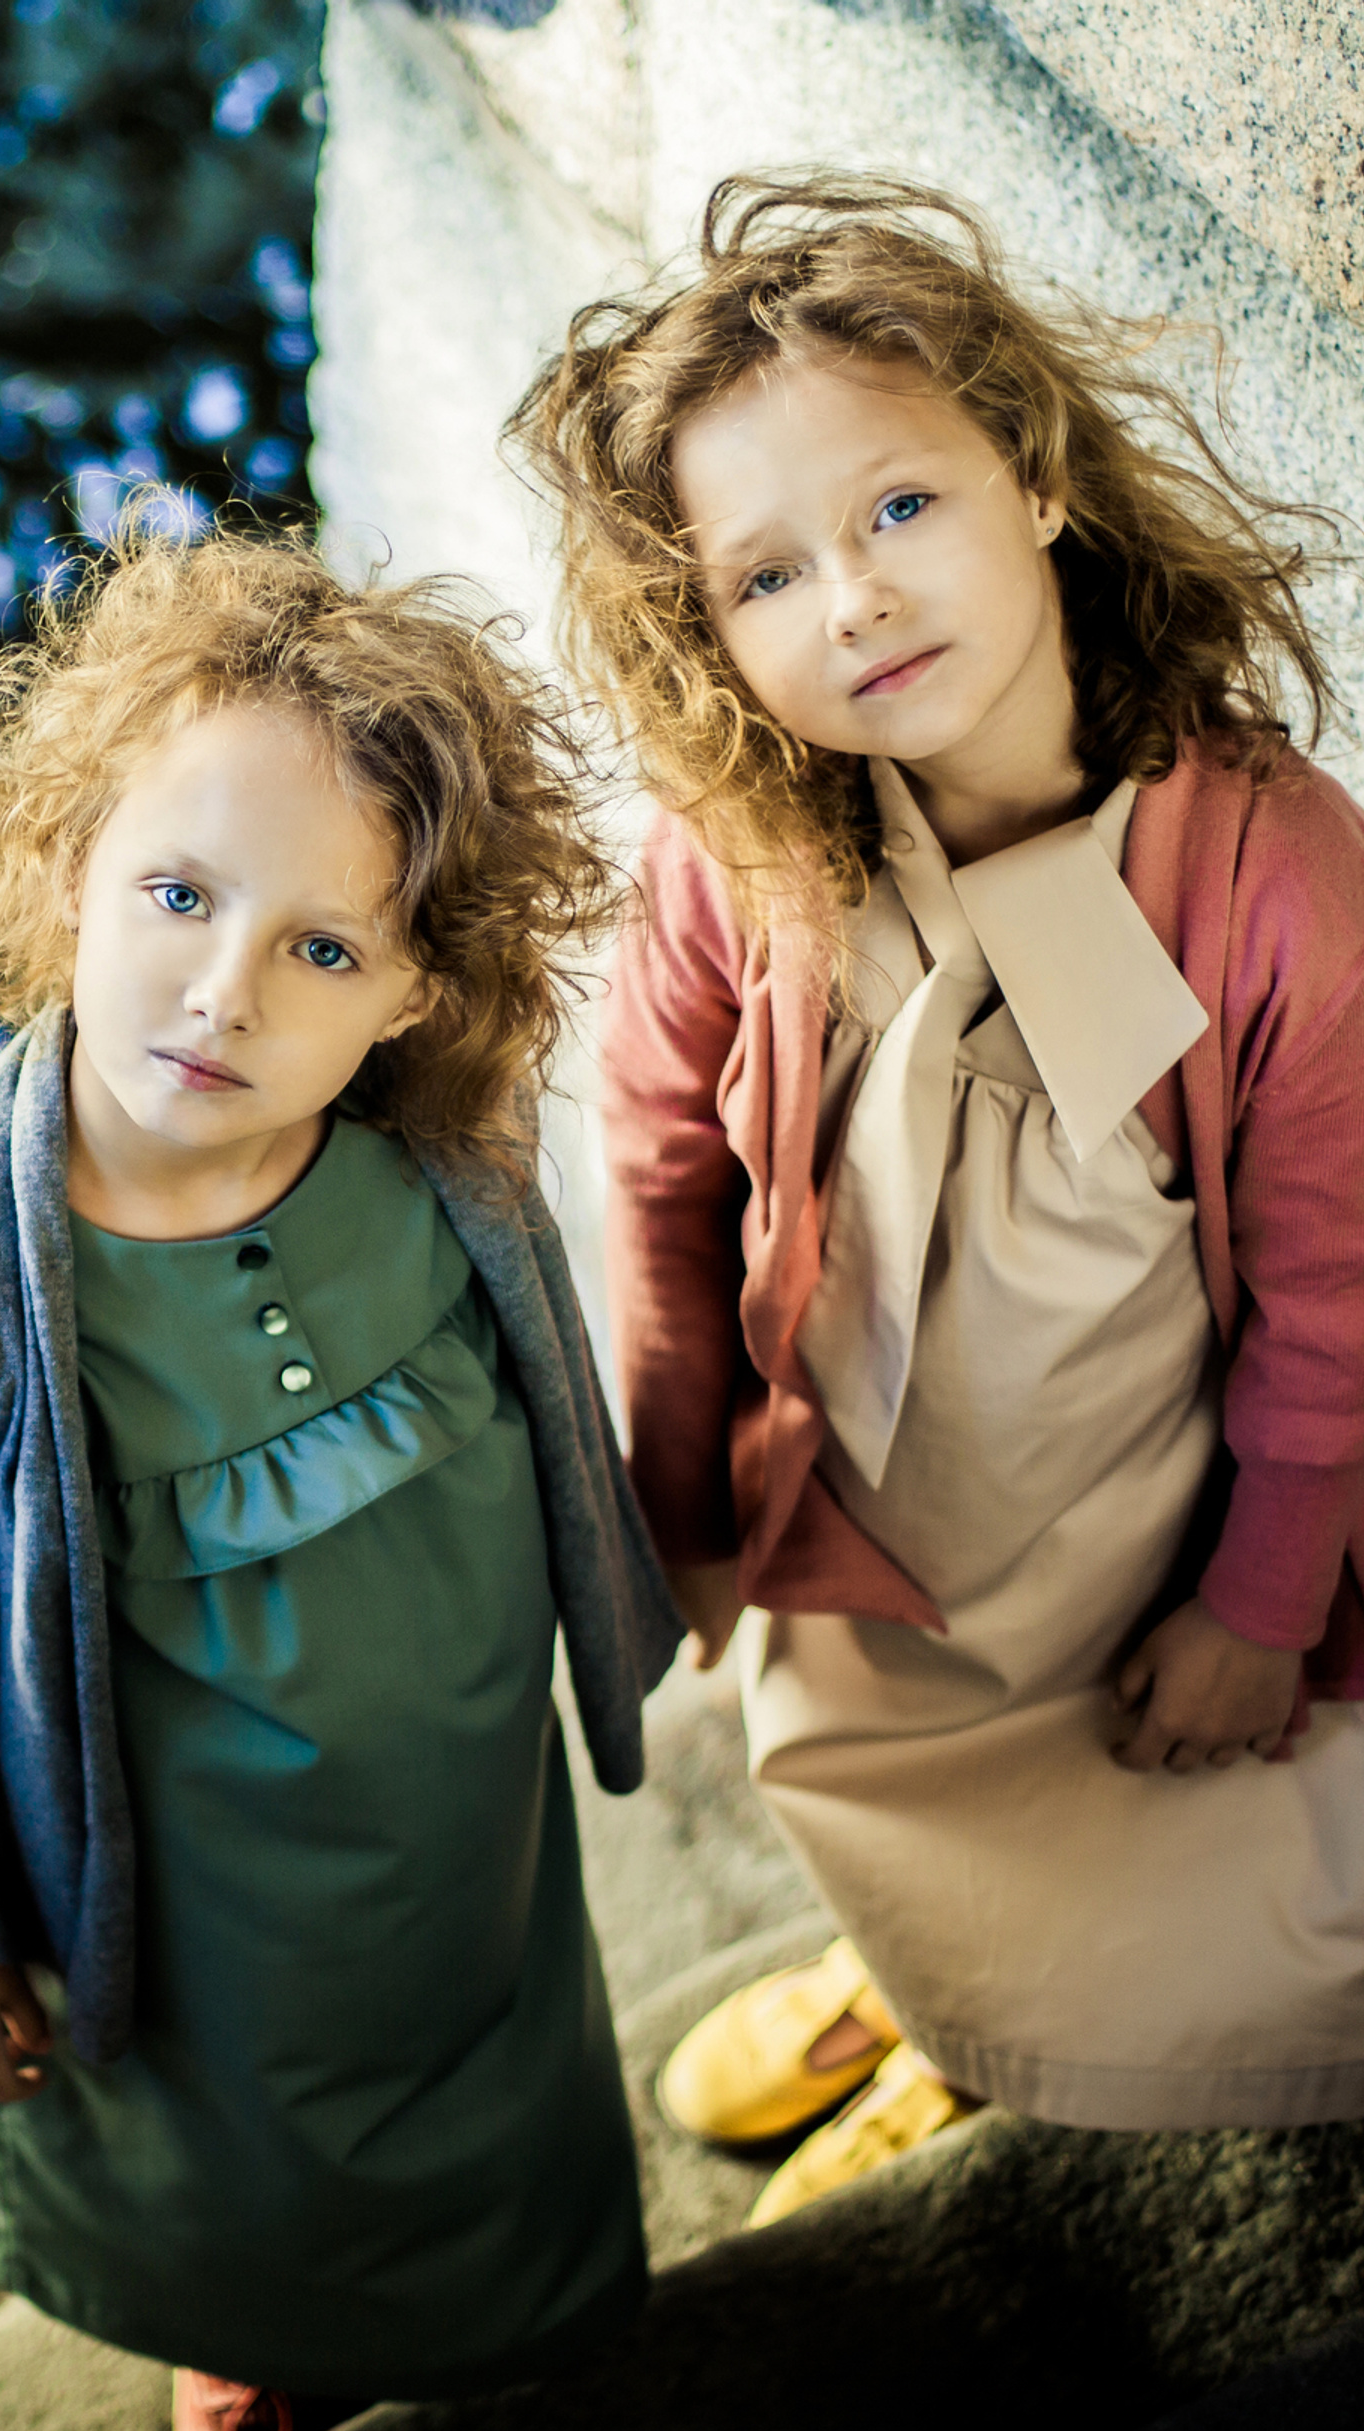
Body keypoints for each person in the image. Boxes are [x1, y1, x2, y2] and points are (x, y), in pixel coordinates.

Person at [0, 520, 682, 2431]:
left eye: (320, 946)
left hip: (450, 1813)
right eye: (175, 891)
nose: (220, 988)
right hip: (168, 1879)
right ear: (63, 860)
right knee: (221, 2136)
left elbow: (543, 1389)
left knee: (460, 2071)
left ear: (412, 991)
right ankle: (247, 2337)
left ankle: (463, 2316)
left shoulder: (433, 1159)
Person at [511, 173, 1364, 2223]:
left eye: (897, 508)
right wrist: (683, 1491)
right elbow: (650, 1152)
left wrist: (1254, 1610)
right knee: (870, 1779)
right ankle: (923, 1980)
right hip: (859, 1488)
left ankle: (1017, 2026)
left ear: (1037, 473)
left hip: (1142, 1495)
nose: (856, 602)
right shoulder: (739, 849)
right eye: (764, 575)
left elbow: (1335, 1294)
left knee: (1145, 1824)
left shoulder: (1271, 881)